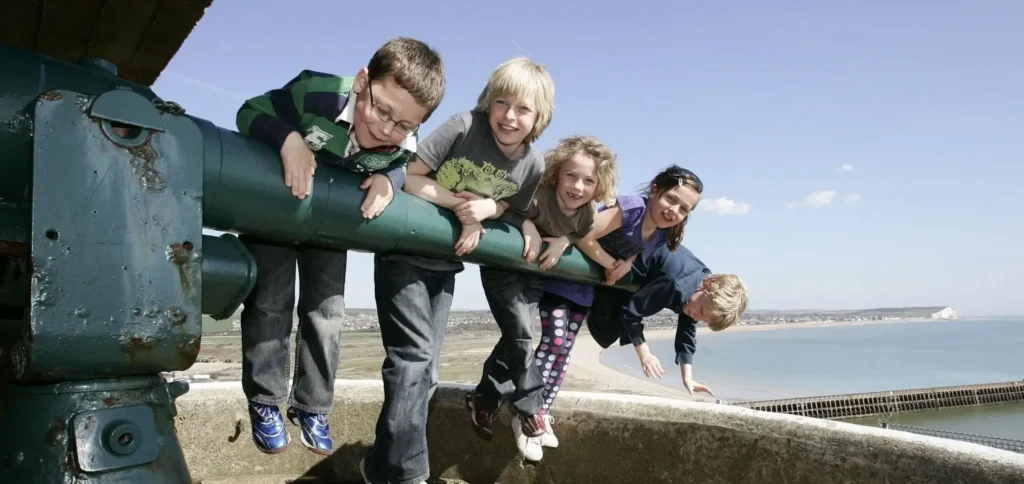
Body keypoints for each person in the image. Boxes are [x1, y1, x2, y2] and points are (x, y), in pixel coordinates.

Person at [234, 37, 445, 455]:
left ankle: (312, 406)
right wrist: (288, 139)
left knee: (328, 314)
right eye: (381, 110)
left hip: (329, 226)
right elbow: (250, 111)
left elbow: (404, 164)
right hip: (274, 212)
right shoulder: (319, 93)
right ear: (363, 81)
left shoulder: (404, 139)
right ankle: (265, 401)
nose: (386, 129)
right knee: (270, 302)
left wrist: (390, 180)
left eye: (403, 125)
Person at [360, 56, 555, 484]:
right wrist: (464, 210)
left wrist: (495, 208)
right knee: (410, 361)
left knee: (426, 373)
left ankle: (378, 466)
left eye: (524, 109)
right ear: (489, 101)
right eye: (502, 102)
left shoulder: (533, 164)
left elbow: (512, 206)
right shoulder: (465, 125)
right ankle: (409, 475)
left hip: (446, 266)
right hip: (404, 252)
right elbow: (409, 175)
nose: (510, 116)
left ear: (540, 117)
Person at [530, 165, 705, 449]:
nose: (674, 211)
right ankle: (528, 411)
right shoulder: (633, 208)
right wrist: (611, 265)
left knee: (563, 352)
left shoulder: (662, 233)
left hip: (584, 289)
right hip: (563, 277)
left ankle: (543, 412)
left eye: (684, 209)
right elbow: (584, 232)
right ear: (655, 190)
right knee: (554, 344)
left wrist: (631, 261)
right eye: (671, 199)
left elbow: (637, 246)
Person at [468, 135, 618, 461]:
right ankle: (530, 407)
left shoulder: (587, 215)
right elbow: (501, 207)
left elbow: (579, 231)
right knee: (522, 334)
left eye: (588, 181)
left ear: (599, 185)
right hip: (504, 271)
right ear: (557, 173)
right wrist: (527, 225)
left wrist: (564, 240)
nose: (577, 186)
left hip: (535, 277)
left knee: (514, 339)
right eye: (571, 176)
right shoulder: (538, 197)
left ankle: (484, 400)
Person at [589, 243, 749, 397]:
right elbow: (631, 313)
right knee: (606, 333)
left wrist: (687, 378)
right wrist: (645, 355)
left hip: (647, 273)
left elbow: (687, 332)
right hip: (625, 255)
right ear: (707, 286)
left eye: (703, 319)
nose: (696, 317)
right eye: (700, 311)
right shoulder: (676, 286)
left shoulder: (702, 285)